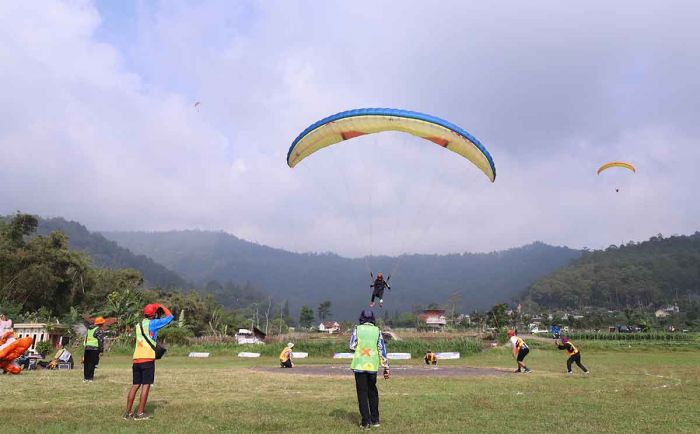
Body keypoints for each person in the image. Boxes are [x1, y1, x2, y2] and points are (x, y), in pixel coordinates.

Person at [124, 303, 173, 421]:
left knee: (135, 385)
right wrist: (161, 306)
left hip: (136, 359)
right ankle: (140, 414)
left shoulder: (138, 325)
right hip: (147, 358)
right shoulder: (153, 324)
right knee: (146, 385)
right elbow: (170, 317)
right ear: (154, 314)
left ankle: (128, 413)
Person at [349, 309, 390, 430]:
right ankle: (375, 419)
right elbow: (382, 349)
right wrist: (386, 366)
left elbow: (351, 345)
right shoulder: (377, 331)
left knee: (362, 393)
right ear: (373, 319)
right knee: (372, 391)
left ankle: (365, 422)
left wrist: (360, 347)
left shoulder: (357, 329)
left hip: (359, 365)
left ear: (361, 319)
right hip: (372, 366)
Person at [83, 317, 106, 382]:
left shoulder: (89, 329)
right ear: (100, 323)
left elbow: (86, 338)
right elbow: (101, 341)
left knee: (86, 363)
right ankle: (90, 378)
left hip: (87, 348)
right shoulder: (98, 330)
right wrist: (101, 350)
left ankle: (86, 377)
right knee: (92, 363)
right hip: (94, 349)